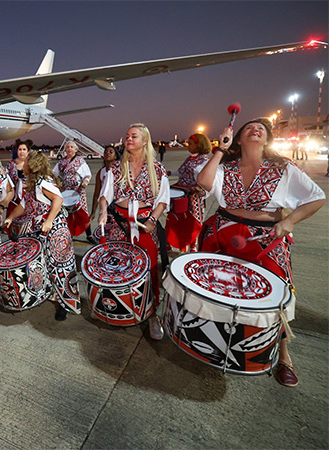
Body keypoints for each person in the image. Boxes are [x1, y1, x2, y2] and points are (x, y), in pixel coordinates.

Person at [197, 117, 325, 388]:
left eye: (262, 129)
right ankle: (214, 341)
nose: (255, 130)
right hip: (224, 233)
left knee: (278, 295)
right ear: (239, 139)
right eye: (248, 128)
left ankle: (284, 356)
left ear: (267, 139)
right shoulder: (226, 167)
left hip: (265, 237)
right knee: (217, 289)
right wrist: (220, 150)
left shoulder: (282, 168)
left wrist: (289, 221)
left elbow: (316, 197)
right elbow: (205, 184)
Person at [98, 123, 170, 340]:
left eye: (134, 136)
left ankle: (152, 315)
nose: (129, 139)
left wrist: (152, 220)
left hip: (145, 225)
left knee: (149, 271)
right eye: (127, 136)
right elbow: (105, 195)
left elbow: (162, 200)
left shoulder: (157, 169)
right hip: (119, 225)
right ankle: (124, 309)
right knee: (119, 268)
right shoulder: (116, 169)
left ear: (145, 140)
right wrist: (103, 211)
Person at [4, 150, 80, 321]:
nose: (23, 164)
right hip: (42, 232)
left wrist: (49, 221)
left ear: (32, 166)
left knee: (61, 268)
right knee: (47, 265)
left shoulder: (43, 182)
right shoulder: (32, 184)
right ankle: (54, 294)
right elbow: (23, 205)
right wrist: (10, 217)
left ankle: (65, 304)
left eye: (27, 162)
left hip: (55, 231)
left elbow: (58, 200)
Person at [165, 133, 211, 252]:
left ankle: (192, 245)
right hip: (181, 191)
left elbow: (206, 179)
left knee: (193, 222)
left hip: (193, 196)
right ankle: (169, 242)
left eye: (190, 144)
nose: (187, 146)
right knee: (174, 219)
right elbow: (181, 172)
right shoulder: (189, 158)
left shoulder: (205, 160)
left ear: (198, 145)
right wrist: (169, 172)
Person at [53, 141, 96, 243]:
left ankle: (89, 235)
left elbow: (87, 175)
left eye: (72, 147)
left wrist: (85, 182)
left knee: (82, 213)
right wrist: (59, 186)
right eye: (68, 147)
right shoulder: (61, 163)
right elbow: (54, 175)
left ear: (76, 150)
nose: (69, 149)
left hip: (77, 191)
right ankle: (70, 234)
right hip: (66, 192)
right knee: (67, 214)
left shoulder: (80, 161)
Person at [90, 145, 120, 238]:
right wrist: (93, 212)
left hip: (118, 204)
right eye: (106, 152)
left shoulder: (119, 170)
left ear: (116, 156)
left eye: (111, 152)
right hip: (106, 206)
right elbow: (97, 193)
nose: (108, 153)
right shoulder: (101, 172)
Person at [5, 139, 30, 220]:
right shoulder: (11, 164)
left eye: (24, 149)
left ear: (28, 151)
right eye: (20, 149)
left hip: (28, 196)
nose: (22, 152)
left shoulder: (32, 164)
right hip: (14, 197)